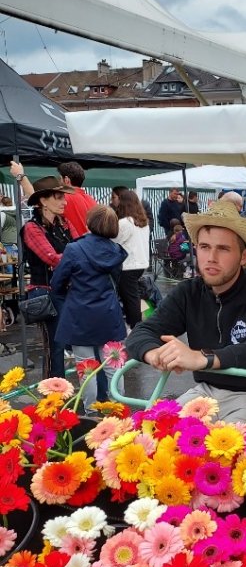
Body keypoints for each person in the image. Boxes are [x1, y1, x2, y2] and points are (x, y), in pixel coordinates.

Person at [126, 198, 246, 423]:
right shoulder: (188, 292)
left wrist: (203, 358)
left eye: (223, 249)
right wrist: (157, 355)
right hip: (204, 390)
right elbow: (140, 334)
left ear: (244, 256)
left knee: (229, 451)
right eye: (204, 247)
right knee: (154, 433)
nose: (211, 258)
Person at [51, 205, 127, 413]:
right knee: (114, 366)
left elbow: (57, 282)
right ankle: (118, 411)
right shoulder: (116, 251)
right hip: (109, 313)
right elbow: (117, 282)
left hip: (80, 315)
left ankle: (92, 413)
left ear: (89, 223)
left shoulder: (74, 249)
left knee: (86, 368)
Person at [19, 175, 75, 378]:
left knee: (74, 341)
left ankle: (71, 392)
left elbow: (79, 248)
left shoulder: (65, 224)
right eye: (58, 197)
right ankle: (53, 394)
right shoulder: (32, 228)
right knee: (55, 346)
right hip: (46, 294)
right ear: (43, 200)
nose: (64, 201)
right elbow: (52, 258)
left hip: (68, 290)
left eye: (63, 197)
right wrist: (74, 256)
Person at [114, 189, 150, 329]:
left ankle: (135, 326)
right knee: (133, 296)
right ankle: (135, 323)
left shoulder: (124, 223)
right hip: (141, 263)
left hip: (128, 265)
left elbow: (115, 240)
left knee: (130, 298)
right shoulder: (142, 222)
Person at [57, 161, 97, 239]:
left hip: (74, 246)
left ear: (66, 180)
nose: (58, 182)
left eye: (59, 179)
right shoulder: (92, 200)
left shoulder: (63, 199)